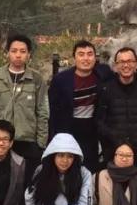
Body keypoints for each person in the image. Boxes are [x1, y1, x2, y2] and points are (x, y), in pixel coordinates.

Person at [0, 34, 48, 199]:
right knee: (3, 187)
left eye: (22, 51)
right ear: (7, 53)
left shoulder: (36, 79)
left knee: (27, 187)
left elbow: (42, 111)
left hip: (28, 141)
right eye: (14, 51)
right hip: (2, 142)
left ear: (29, 54)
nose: (18, 55)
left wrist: (41, 143)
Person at [48, 40, 112, 172]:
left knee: (90, 167)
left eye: (89, 54)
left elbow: (125, 74)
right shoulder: (61, 80)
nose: (86, 58)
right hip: (68, 128)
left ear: (95, 57)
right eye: (81, 54)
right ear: (74, 58)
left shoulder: (103, 73)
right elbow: (53, 111)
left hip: (92, 128)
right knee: (68, 167)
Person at [97, 47, 137, 164]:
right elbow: (100, 120)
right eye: (122, 62)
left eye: (130, 61)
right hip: (113, 149)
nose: (126, 65)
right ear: (115, 66)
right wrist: (116, 141)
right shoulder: (106, 88)